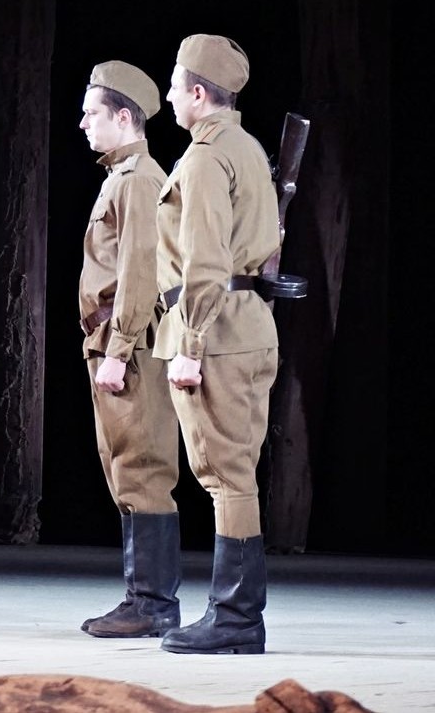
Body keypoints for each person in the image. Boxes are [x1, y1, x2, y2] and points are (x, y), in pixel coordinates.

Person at [154, 35, 279, 654]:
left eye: (176, 85)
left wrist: (190, 344)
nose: (170, 95)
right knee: (237, 473)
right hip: (249, 325)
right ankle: (238, 613)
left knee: (224, 475)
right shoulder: (247, 148)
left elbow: (204, 262)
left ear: (199, 94)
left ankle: (235, 616)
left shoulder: (205, 158)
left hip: (218, 331)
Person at [75, 61, 182, 639]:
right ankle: (142, 597)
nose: (83, 123)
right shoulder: (119, 176)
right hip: (112, 341)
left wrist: (118, 350)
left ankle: (152, 603)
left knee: (142, 468)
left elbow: (140, 271)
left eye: (92, 113)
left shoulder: (138, 180)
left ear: (123, 117)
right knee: (124, 469)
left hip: (132, 345)